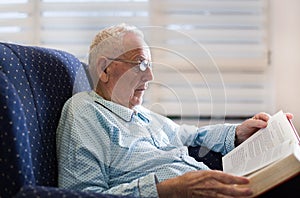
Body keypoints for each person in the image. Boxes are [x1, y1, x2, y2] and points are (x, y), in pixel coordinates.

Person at [56, 23, 292, 198]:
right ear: (105, 68)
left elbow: (192, 136)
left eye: (150, 66)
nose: (150, 77)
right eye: (141, 64)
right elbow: (83, 193)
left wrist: (238, 132)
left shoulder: (143, 115)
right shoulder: (84, 112)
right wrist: (169, 190)